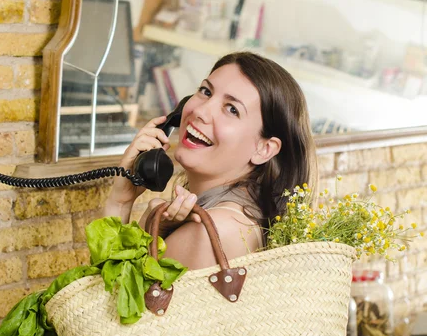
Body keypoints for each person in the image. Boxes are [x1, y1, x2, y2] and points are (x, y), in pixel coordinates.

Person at [103, 52, 317, 270]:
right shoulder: (243, 216)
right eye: (206, 92)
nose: (201, 111)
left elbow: (107, 301)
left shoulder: (206, 233)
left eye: (232, 109)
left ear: (264, 149)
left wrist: (119, 204)